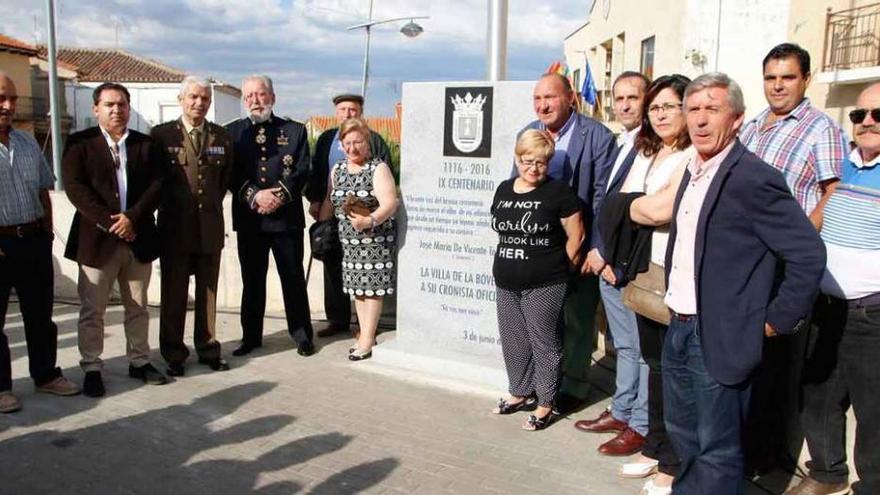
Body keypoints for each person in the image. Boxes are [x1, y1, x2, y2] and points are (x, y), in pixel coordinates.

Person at [662, 72, 825, 494]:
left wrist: (774, 320)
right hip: (678, 326)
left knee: (717, 449)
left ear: (736, 119)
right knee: (684, 436)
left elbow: (807, 253)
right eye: (692, 109)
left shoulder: (753, 177)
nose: (699, 120)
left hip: (720, 334)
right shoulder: (693, 169)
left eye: (711, 110)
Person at [739, 42, 848, 471]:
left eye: (787, 77)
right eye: (771, 77)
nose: (778, 85)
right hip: (743, 260)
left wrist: (802, 237)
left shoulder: (821, 128)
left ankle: (767, 458)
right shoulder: (751, 127)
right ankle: (745, 445)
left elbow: (833, 189)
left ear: (806, 79)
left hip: (781, 263)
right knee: (746, 356)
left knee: (776, 364)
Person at [785, 82, 880, 495]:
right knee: (818, 392)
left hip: (871, 313)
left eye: (878, 114)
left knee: (873, 410)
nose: (867, 122)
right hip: (827, 305)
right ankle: (827, 472)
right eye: (859, 115)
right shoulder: (845, 163)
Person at [602, 74, 694, 494]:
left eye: (668, 106)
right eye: (654, 107)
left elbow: (659, 210)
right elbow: (623, 199)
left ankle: (673, 461)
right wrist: (631, 205)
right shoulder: (650, 151)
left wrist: (628, 206)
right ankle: (656, 445)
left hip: (679, 277)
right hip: (646, 273)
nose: (658, 114)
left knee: (675, 373)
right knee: (655, 366)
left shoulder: (693, 155)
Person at [63, 82, 168, 397]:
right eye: (109, 104)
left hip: (138, 238)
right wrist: (113, 223)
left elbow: (158, 184)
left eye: (122, 104)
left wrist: (132, 217)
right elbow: (76, 188)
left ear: (129, 107)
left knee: (138, 305)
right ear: (96, 108)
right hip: (96, 242)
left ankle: (139, 360)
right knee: (92, 309)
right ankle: (92, 367)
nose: (116, 110)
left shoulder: (145, 145)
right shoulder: (78, 144)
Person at [519, 72, 617, 409]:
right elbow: (517, 184)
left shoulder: (598, 137)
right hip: (537, 247)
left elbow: (604, 197)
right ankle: (540, 382)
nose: (543, 105)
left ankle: (573, 387)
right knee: (541, 318)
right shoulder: (527, 133)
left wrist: (598, 247)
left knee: (577, 318)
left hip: (581, 244)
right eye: (537, 99)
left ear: (570, 97)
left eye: (551, 97)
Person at [575, 71, 651, 457]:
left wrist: (608, 255)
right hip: (605, 258)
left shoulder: (651, 149)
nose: (623, 105)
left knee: (639, 348)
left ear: (647, 100)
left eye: (632, 98)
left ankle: (639, 423)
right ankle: (622, 410)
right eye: (618, 98)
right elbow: (605, 202)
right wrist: (596, 248)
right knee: (623, 344)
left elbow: (634, 209)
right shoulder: (621, 142)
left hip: (625, 263)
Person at [491, 129, 583, 430]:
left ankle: (546, 404)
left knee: (545, 344)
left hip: (545, 282)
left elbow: (576, 236)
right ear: (517, 158)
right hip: (506, 280)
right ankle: (519, 392)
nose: (533, 168)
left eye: (541, 163)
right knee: (514, 341)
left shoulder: (559, 193)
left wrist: (561, 270)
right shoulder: (504, 189)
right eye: (527, 161)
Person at [0, 72, 80, 413]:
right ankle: (2, 388)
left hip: (32, 240)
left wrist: (47, 234)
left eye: (13, 99)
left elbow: (43, 191)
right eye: (2, 98)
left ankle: (46, 374)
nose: (8, 106)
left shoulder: (28, 142)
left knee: (40, 315)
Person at [226, 74, 314, 357]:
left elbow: (302, 170)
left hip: (286, 220)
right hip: (251, 220)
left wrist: (277, 196)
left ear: (272, 98)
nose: (255, 100)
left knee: (293, 278)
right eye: (249, 95)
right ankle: (250, 337)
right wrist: (254, 196)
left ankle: (301, 335)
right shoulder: (232, 132)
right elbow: (229, 173)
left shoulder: (295, 130)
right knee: (252, 281)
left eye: (261, 94)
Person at [151, 76, 233, 376]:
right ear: (181, 99)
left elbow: (223, 181)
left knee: (208, 292)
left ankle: (209, 348)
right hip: (174, 230)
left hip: (209, 228)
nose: (199, 103)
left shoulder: (222, 137)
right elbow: (155, 182)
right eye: (194, 97)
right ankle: (173, 353)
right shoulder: (161, 136)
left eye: (205, 98)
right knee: (174, 294)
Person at [306, 93, 391, 339]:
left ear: (360, 112)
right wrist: (316, 201)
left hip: (366, 218)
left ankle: (366, 329)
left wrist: (372, 215)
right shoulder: (324, 139)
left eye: (352, 110)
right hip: (333, 213)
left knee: (365, 273)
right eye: (342, 109)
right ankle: (337, 320)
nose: (347, 114)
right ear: (336, 113)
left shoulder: (373, 140)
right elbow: (317, 173)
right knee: (334, 269)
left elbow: (386, 174)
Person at [317, 118, 397, 360]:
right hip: (349, 241)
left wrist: (369, 220)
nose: (353, 148)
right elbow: (331, 200)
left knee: (372, 290)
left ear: (367, 141)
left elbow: (389, 204)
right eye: (347, 143)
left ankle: (366, 339)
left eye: (358, 142)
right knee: (358, 291)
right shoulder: (338, 169)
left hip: (375, 240)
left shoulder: (378, 168)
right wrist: (322, 223)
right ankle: (366, 334)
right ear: (341, 144)